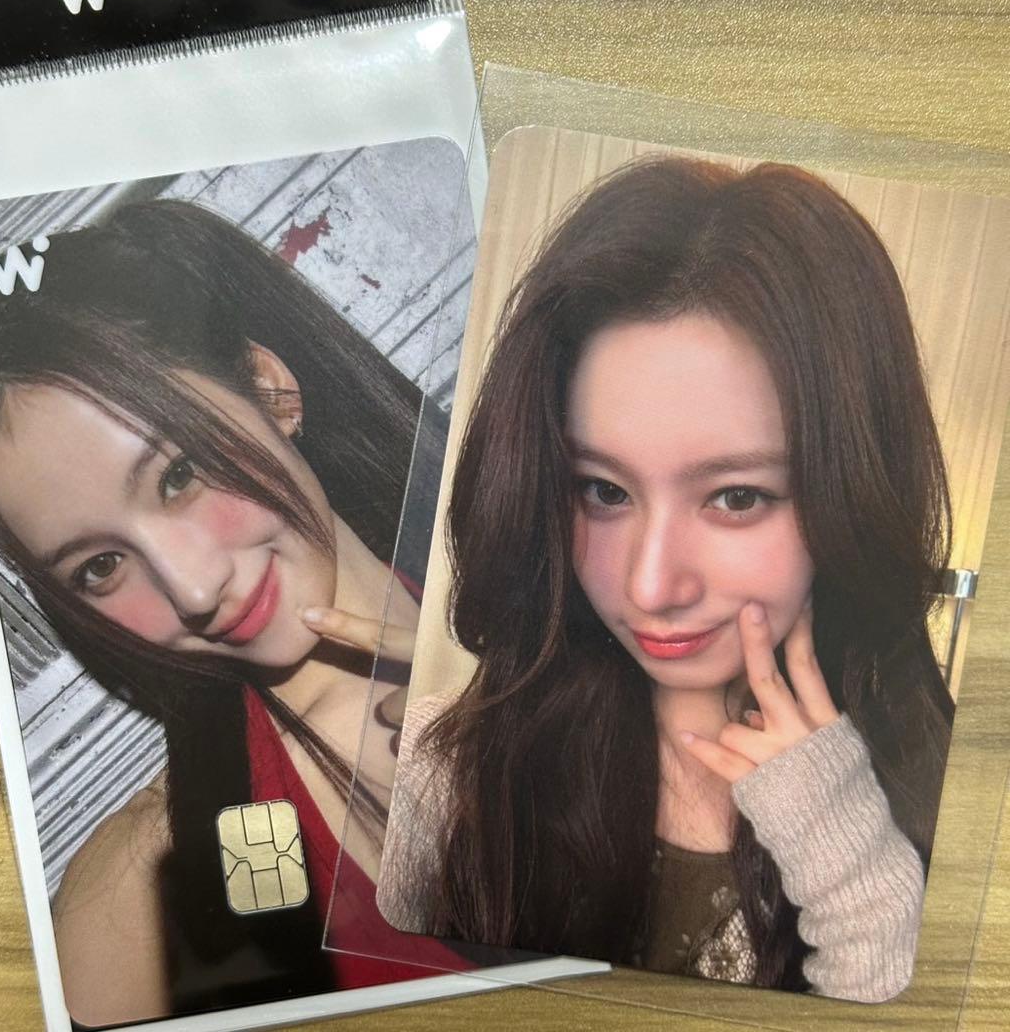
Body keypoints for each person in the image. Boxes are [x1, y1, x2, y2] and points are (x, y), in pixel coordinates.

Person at [377, 154, 956, 1002]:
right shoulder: (446, 775)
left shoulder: (948, 798)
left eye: (736, 497)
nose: (650, 587)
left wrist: (853, 865)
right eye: (604, 491)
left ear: (852, 494)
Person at [0, 199, 462, 1025]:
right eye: (100, 566)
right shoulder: (137, 907)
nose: (191, 589)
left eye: (179, 475)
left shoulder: (613, 616)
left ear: (269, 388)